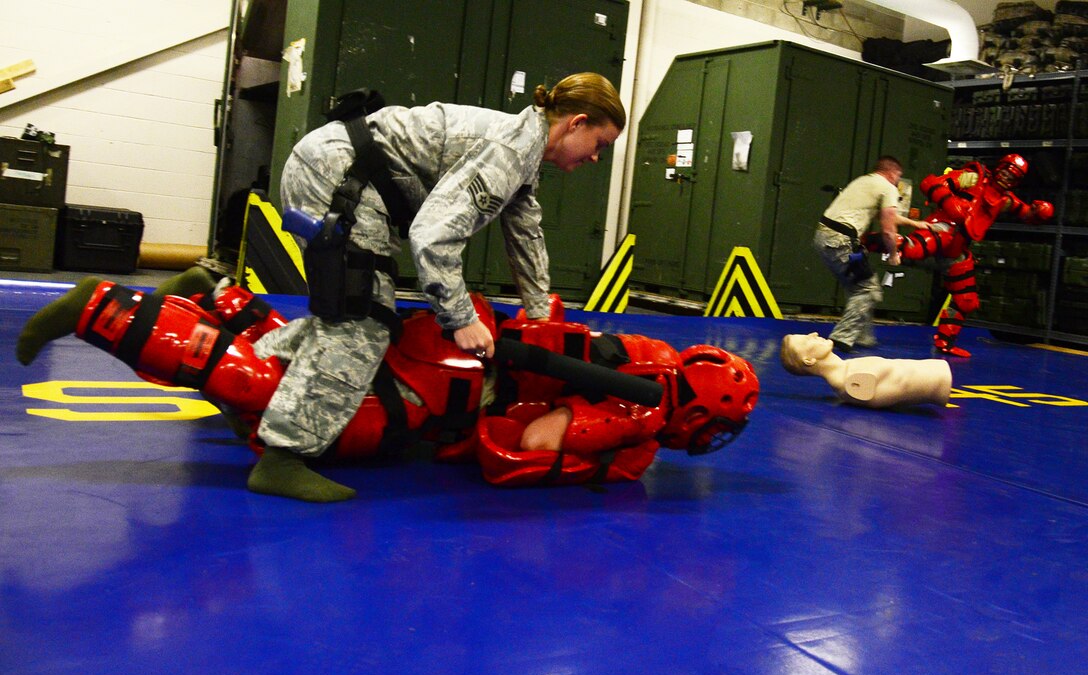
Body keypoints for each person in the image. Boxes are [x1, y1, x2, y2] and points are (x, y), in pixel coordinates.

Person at [16, 270, 760, 501]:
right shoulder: (631, 403)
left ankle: (212, 293)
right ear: (700, 408)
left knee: (301, 356)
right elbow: (527, 442)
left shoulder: (642, 353)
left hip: (451, 355)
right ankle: (99, 309)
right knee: (281, 396)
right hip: (445, 387)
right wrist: (621, 435)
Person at [234, 73, 627, 497]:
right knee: (361, 320)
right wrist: (460, 318)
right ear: (575, 123)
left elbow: (525, 232)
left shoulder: (524, 150)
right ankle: (283, 457)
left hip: (347, 177)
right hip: (337, 176)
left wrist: (540, 313)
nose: (595, 159)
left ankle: (235, 362)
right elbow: (433, 234)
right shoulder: (510, 151)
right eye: (600, 144)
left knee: (358, 314)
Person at [862, 153, 1054, 357]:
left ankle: (945, 342)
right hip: (942, 229)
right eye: (1006, 171)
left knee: (966, 299)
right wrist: (948, 201)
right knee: (909, 247)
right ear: (999, 167)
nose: (1007, 177)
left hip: (957, 250)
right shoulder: (972, 177)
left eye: (1013, 176)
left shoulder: (1004, 200)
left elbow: (1025, 213)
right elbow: (930, 183)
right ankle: (862, 242)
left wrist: (1039, 213)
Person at [813, 155, 931, 353]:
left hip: (823, 237)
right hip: (842, 241)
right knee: (868, 289)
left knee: (856, 286)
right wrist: (894, 254)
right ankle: (841, 338)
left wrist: (916, 224)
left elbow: (885, 215)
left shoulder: (863, 181)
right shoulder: (888, 188)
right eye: (898, 175)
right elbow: (888, 229)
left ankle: (863, 336)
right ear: (892, 172)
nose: (898, 180)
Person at [780, 332, 952, 408]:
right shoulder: (849, 383)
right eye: (807, 340)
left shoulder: (847, 372)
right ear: (809, 360)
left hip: (939, 377)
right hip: (941, 384)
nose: (814, 334)